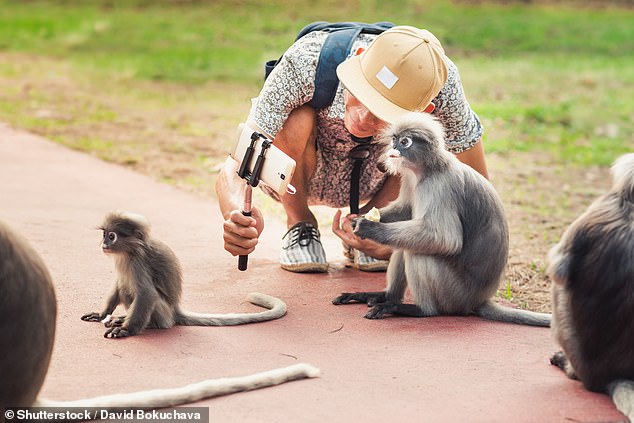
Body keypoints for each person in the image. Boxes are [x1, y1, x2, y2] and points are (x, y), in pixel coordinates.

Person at [216, 25, 488, 273]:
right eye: (360, 94)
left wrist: (399, 240)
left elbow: (478, 199)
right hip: (297, 175)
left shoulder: (442, 90)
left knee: (417, 138)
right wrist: (236, 214)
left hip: (380, 175)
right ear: (356, 57)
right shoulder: (305, 62)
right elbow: (236, 163)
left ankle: (374, 223)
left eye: (382, 112)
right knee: (295, 118)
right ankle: (300, 224)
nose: (362, 118)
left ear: (424, 109)